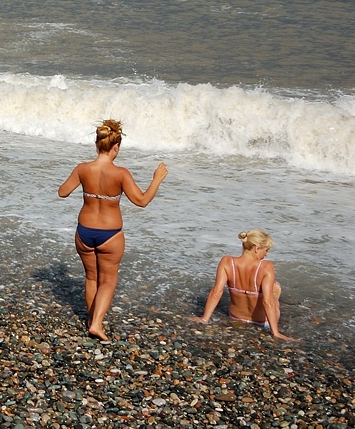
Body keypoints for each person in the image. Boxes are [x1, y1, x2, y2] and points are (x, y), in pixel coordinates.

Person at [58, 119, 168, 341]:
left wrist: (87, 189)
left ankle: (92, 320)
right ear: (115, 147)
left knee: (91, 277)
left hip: (84, 231)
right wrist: (156, 180)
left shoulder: (82, 169)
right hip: (110, 234)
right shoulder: (120, 174)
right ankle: (97, 324)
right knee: (108, 280)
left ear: (97, 144)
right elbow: (142, 201)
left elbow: (62, 192)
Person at [191, 230, 294, 341]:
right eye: (266, 250)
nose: (266, 254)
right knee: (275, 288)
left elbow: (216, 292)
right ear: (257, 248)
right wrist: (276, 333)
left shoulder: (226, 261)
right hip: (262, 321)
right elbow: (267, 302)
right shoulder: (266, 266)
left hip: (235, 317)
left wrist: (204, 319)